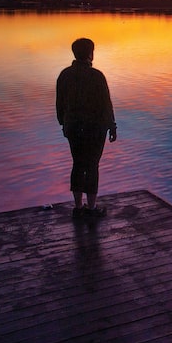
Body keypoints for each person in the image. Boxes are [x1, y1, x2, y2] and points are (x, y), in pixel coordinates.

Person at [56, 38, 117, 218]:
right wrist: (112, 126)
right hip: (94, 129)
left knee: (77, 163)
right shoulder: (96, 76)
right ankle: (91, 208)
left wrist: (64, 124)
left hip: (73, 128)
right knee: (92, 166)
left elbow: (59, 104)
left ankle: (78, 207)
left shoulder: (64, 75)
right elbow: (106, 104)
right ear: (90, 53)